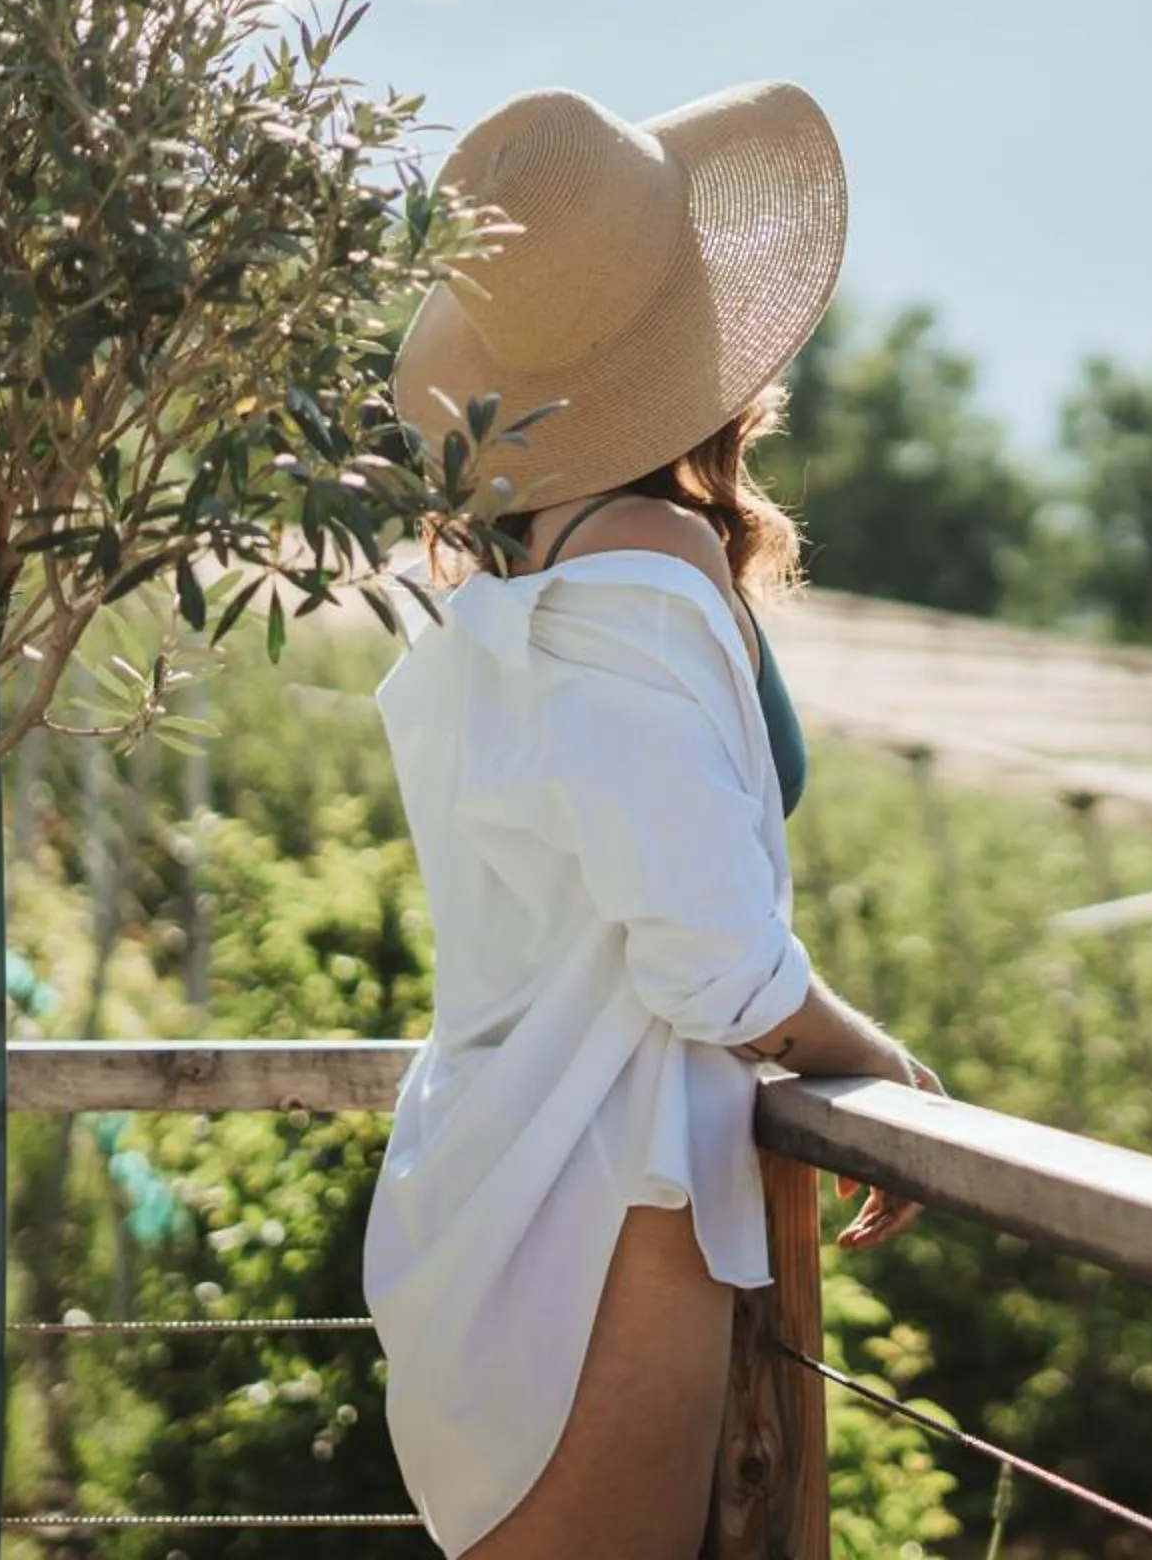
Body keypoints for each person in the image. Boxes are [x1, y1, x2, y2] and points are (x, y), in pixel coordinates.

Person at [364, 82, 939, 1558]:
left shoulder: (505, 585)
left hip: (494, 1165)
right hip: (603, 1204)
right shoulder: (637, 582)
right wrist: (872, 1065)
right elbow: (705, 953)